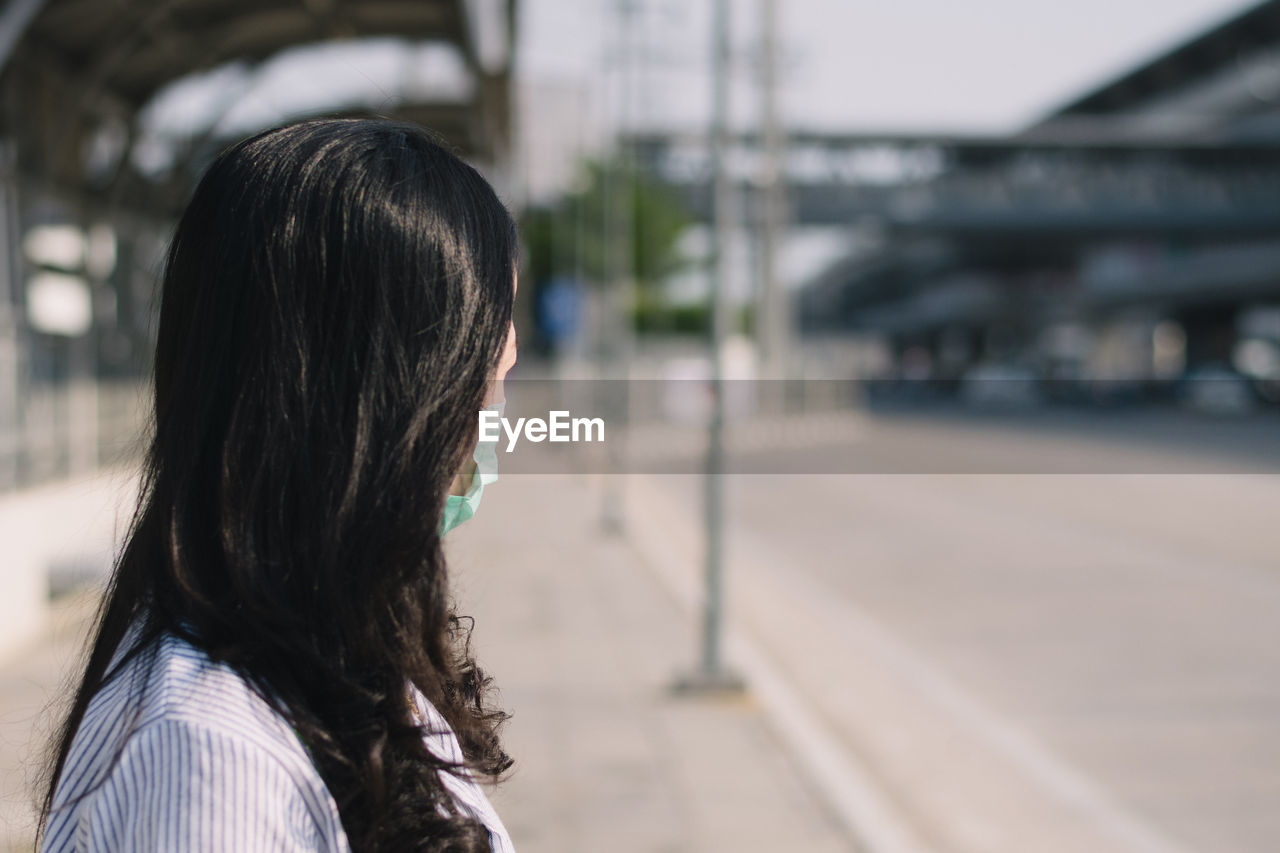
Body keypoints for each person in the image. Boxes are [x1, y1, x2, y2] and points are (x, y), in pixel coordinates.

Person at [35, 118, 520, 852]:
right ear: (389, 416)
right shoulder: (210, 755)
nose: (489, 427)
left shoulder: (331, 652)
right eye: (485, 386)